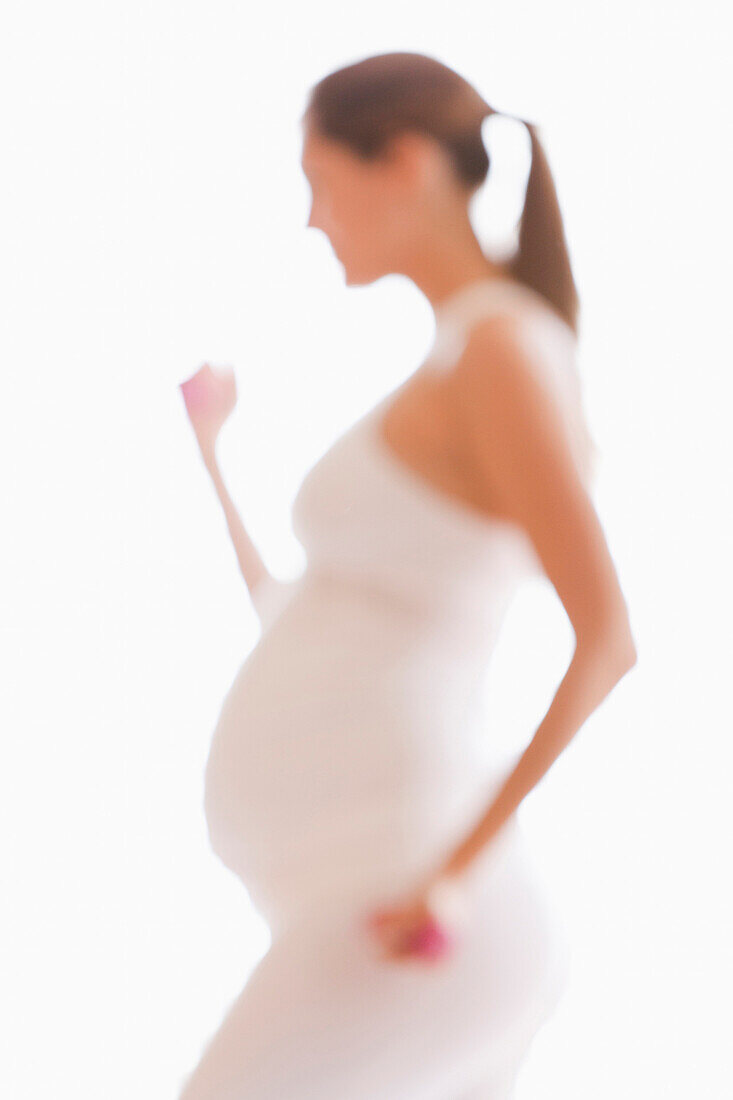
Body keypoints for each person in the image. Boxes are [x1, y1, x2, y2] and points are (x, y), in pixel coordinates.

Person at [177, 50, 636, 1100]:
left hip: (410, 904)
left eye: (321, 181)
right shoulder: (462, 357)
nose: (310, 218)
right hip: (366, 889)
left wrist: (452, 872)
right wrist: (211, 457)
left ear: (409, 166)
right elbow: (300, 617)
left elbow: (607, 634)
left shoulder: (498, 353)